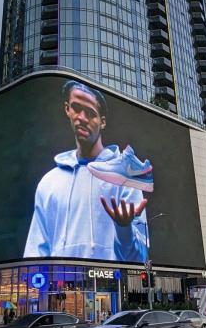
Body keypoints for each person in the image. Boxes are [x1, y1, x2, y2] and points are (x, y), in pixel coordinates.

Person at [24, 81, 151, 262]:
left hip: (111, 287)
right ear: (67, 109)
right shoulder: (49, 182)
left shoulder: (123, 177)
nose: (82, 118)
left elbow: (139, 259)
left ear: (102, 122)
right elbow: (35, 252)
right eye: (76, 108)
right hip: (58, 287)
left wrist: (124, 228)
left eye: (91, 113)